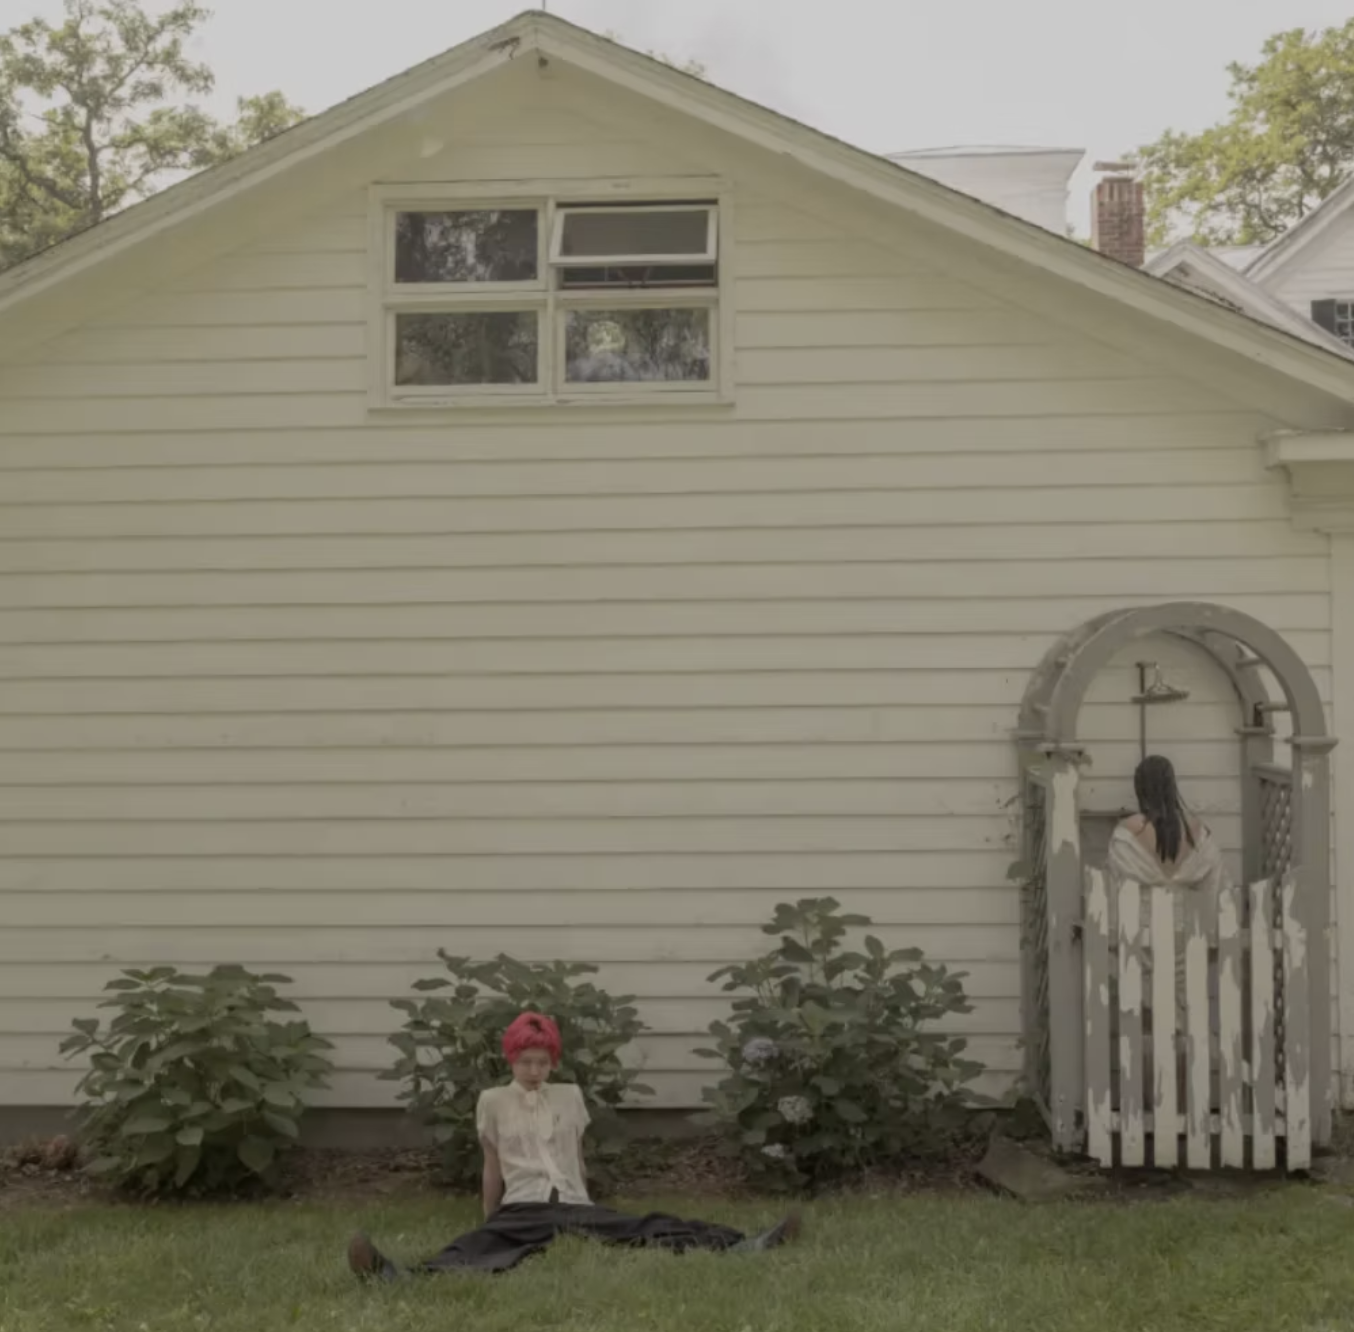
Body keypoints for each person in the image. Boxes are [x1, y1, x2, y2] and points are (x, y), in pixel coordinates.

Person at [347, 1012, 801, 1280]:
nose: (534, 1071)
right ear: (511, 1059)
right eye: (526, 1062)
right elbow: (492, 1165)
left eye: (542, 1062)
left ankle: (743, 1244)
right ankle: (392, 1275)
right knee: (478, 1244)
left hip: (572, 1204)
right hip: (523, 1206)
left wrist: (586, 1200)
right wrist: (492, 1216)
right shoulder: (493, 1101)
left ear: (553, 1062)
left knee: (644, 1225)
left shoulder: (569, 1096)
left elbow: (577, 1156)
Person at [1109, 754, 1226, 1113]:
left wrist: (1114, 938)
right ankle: (1184, 1103)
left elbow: (1115, 889)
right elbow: (1215, 886)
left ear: (1140, 788)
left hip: (1141, 936)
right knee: (1188, 1021)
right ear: (1172, 784)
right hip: (1186, 937)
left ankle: (1151, 1104)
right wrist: (1212, 936)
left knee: (1146, 1022)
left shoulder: (1127, 833)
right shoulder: (1197, 831)